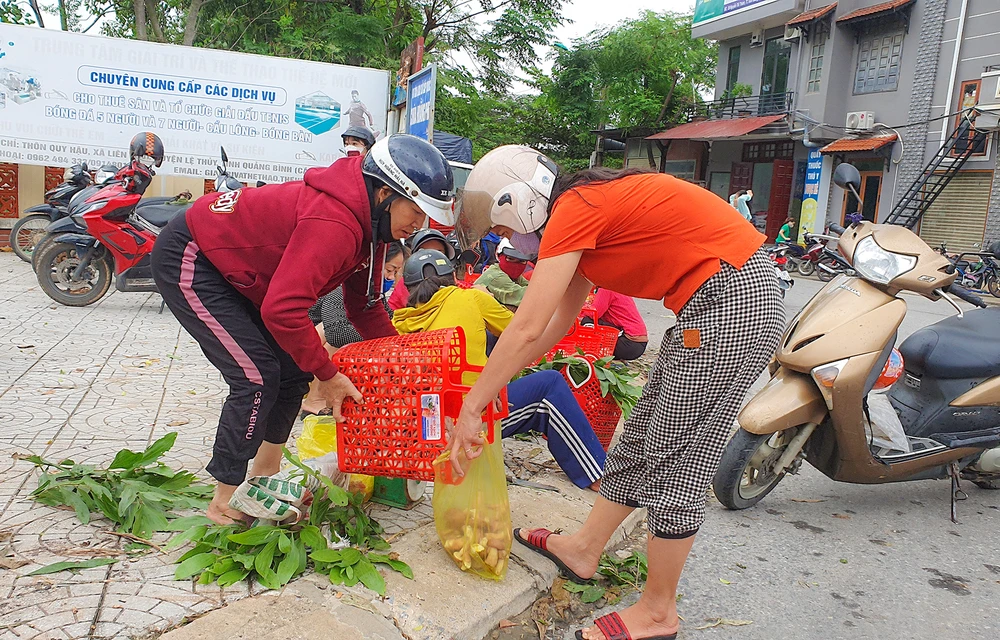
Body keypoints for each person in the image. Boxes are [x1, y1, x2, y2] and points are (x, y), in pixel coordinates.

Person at [449, 145, 783, 640]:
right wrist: (493, 386)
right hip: (709, 307)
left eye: (503, 228)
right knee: (642, 434)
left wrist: (472, 406)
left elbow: (525, 328)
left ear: (518, 202)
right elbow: (552, 327)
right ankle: (585, 548)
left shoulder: (575, 209)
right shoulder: (581, 213)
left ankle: (657, 611)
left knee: (677, 459)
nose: (508, 240)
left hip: (732, 302)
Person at [151, 134, 455, 525]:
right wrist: (327, 374)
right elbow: (283, 310)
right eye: (415, 209)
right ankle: (223, 499)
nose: (419, 223)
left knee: (292, 373)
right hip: (194, 255)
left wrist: (409, 366)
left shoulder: (372, 231)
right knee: (255, 375)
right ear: (384, 194)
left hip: (246, 274)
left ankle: (264, 477)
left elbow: (363, 307)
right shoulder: (336, 221)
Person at [392, 249, 605, 490]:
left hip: (426, 426)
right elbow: (522, 332)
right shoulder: (470, 298)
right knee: (549, 385)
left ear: (408, 290)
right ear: (453, 278)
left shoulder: (400, 321)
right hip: (469, 425)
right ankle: (597, 475)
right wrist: (485, 297)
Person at [300, 241, 408, 417]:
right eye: (389, 270)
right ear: (377, 263)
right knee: (338, 337)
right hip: (302, 346)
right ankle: (315, 401)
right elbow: (336, 333)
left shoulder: (374, 292)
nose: (391, 277)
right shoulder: (345, 283)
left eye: (396, 272)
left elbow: (386, 317)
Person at [387, 228, 459, 311]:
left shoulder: (461, 287)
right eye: (424, 252)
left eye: (438, 252)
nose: (431, 257)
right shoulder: (403, 285)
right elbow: (391, 312)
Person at [587, 288, 648, 361]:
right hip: (637, 344)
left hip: (629, 343)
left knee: (587, 321)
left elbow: (593, 313)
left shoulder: (606, 288)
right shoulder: (617, 287)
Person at [476, 240, 532, 309]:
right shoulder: (496, 276)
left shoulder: (512, 274)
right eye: (511, 258)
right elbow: (526, 297)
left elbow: (532, 286)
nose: (516, 264)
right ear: (498, 256)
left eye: (522, 261)